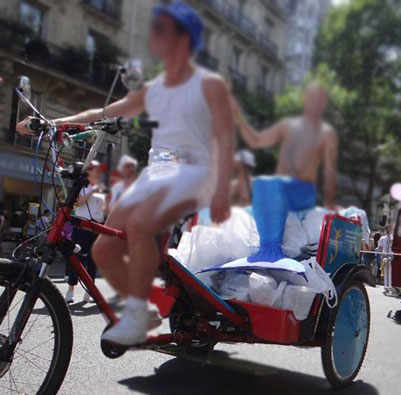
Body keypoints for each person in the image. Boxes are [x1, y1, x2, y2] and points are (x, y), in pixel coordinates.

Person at [18, 2, 234, 345]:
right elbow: (103, 112)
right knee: (104, 249)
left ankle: (134, 313)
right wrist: (51, 122)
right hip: (158, 172)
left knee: (141, 224)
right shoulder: (155, 88)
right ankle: (142, 311)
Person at [230, 82, 338, 266]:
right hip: (278, 187)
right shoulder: (287, 126)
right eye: (312, 97)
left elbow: (330, 171)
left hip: (303, 192)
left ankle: (271, 251)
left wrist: (330, 202)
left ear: (324, 103)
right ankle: (265, 250)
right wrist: (238, 117)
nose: (315, 102)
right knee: (260, 183)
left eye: (319, 99)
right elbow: (256, 140)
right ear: (304, 100)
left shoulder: (326, 133)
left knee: (270, 184)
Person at [64, 161, 108, 304]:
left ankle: (90, 291)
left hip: (96, 227)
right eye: (96, 171)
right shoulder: (82, 186)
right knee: (76, 258)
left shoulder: (102, 190)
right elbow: (78, 203)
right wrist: (93, 191)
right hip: (82, 227)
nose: (98, 174)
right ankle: (71, 289)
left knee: (93, 261)